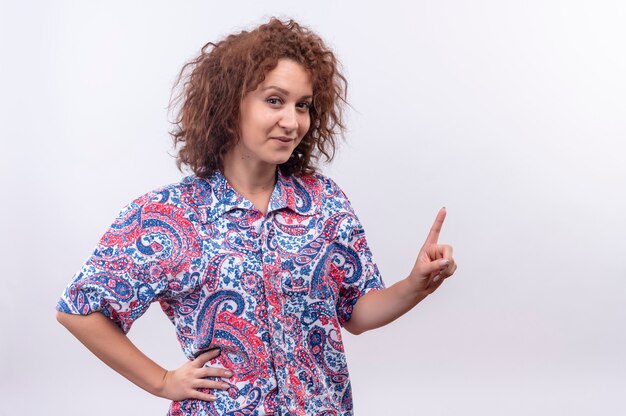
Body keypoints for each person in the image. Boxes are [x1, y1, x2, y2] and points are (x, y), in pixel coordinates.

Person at [56, 17, 457, 416]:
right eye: (274, 100)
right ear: (230, 105)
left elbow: (356, 313)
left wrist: (415, 285)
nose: (292, 121)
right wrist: (161, 381)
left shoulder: (324, 202)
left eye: (303, 106)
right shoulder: (170, 215)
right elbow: (79, 310)